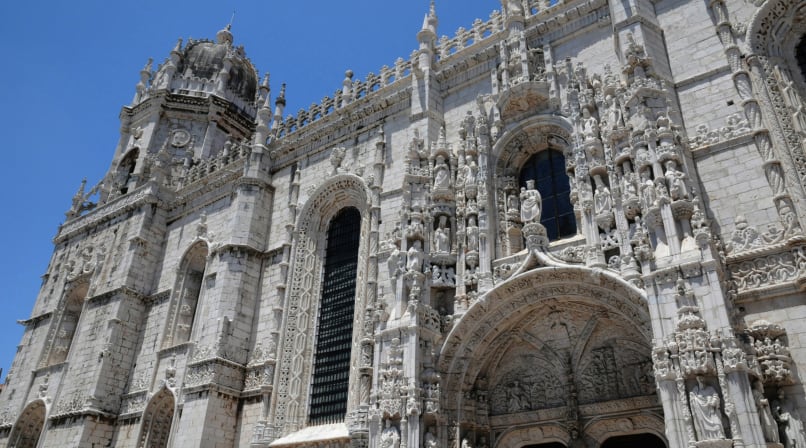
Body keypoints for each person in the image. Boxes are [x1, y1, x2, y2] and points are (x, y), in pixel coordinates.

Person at [689, 376, 725, 441]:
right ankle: (705, 437)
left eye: (702, 379)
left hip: (711, 410)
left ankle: (719, 434)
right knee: (702, 424)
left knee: (716, 422)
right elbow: (693, 399)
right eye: (699, 380)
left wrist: (712, 402)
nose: (701, 381)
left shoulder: (710, 389)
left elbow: (715, 396)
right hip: (701, 412)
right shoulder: (696, 391)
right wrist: (697, 400)